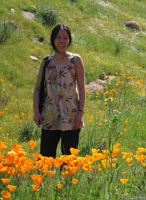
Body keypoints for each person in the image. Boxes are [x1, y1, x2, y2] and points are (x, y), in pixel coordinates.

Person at [33, 24, 86, 158]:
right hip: (49, 115)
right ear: (52, 39)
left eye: (65, 38)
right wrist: (36, 112)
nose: (62, 41)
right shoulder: (46, 61)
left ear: (69, 40)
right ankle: (46, 179)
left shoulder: (75, 60)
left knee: (68, 160)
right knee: (45, 158)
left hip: (71, 116)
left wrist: (80, 113)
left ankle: (67, 180)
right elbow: (37, 88)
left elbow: (81, 87)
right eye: (58, 38)